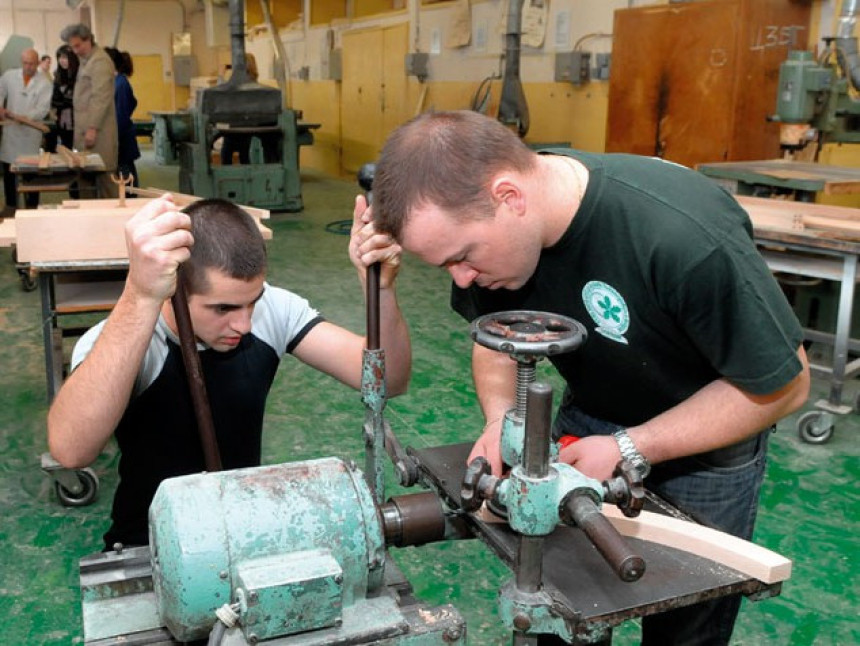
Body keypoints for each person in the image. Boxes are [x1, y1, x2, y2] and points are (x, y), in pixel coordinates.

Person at [365, 110, 810, 645]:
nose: (462, 279)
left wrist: (631, 445)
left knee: (686, 625)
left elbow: (784, 384)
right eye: (447, 267)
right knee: (563, 609)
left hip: (707, 450)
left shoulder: (681, 235)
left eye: (463, 258)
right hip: (590, 423)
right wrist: (502, 419)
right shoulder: (497, 246)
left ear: (509, 196)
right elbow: (501, 341)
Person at [47, 195, 409, 550]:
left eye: (252, 302)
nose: (245, 324)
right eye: (222, 308)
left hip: (242, 534)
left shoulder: (273, 308)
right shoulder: (125, 337)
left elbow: (386, 380)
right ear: (173, 287)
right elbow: (70, 451)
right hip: (149, 545)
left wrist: (381, 289)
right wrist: (139, 294)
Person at [60, 23, 118, 198]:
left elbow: (101, 97)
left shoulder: (100, 62)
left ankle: (113, 223)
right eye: (72, 47)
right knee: (86, 183)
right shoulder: (86, 61)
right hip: (86, 134)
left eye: (78, 45)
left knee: (106, 182)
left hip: (97, 133)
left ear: (89, 40)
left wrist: (92, 128)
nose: (75, 51)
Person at [0, 48, 52, 214]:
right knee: (9, 169)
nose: (28, 66)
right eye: (25, 63)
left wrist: (23, 117)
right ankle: (10, 205)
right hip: (10, 131)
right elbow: (0, 92)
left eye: (32, 63)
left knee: (30, 171)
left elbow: (42, 109)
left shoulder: (45, 83)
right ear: (21, 62)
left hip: (30, 133)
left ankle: (32, 206)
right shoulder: (9, 76)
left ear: (37, 63)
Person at [104, 47, 140, 186]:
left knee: (126, 177)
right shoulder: (114, 82)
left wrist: (112, 139)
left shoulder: (121, 84)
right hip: (117, 138)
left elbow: (121, 117)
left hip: (121, 140)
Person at [47, 44, 79, 154]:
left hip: (80, 120)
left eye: (65, 57)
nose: (62, 60)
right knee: (66, 149)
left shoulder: (80, 75)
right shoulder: (58, 76)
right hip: (63, 120)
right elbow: (55, 100)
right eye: (59, 57)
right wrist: (66, 103)